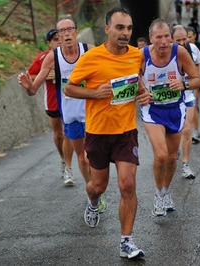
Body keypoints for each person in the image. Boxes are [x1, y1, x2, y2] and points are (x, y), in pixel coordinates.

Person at [64, 7, 151, 259]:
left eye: (129, 28)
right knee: (98, 186)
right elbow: (70, 89)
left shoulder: (136, 55)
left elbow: (137, 82)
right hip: (98, 132)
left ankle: (126, 242)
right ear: (107, 29)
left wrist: (144, 94)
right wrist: (94, 93)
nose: (125, 33)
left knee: (128, 185)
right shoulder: (91, 58)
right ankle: (92, 202)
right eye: (120, 28)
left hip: (125, 131)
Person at [18, 18, 108, 213]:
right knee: (82, 158)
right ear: (57, 36)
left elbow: (109, 70)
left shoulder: (90, 51)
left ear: (76, 32)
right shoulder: (52, 58)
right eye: (62, 31)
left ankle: (98, 186)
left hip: (93, 114)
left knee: (92, 155)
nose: (67, 34)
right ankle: (92, 189)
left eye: (70, 29)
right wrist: (28, 86)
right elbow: (33, 90)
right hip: (71, 116)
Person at [141, 19, 200, 216]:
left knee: (170, 157)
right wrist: (140, 94)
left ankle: (166, 191)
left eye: (167, 36)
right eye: (159, 37)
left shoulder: (180, 53)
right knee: (160, 155)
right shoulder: (141, 56)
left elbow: (197, 79)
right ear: (151, 39)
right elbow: (131, 81)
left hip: (175, 109)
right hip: (152, 111)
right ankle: (158, 195)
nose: (164, 41)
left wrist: (183, 85)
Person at [24, 29, 66, 178]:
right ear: (49, 43)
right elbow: (30, 75)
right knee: (59, 134)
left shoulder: (73, 54)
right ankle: (63, 160)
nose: (59, 41)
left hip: (73, 99)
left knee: (74, 133)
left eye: (60, 38)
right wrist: (46, 75)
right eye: (55, 39)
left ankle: (74, 164)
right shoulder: (43, 58)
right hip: (53, 101)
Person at [171, 25, 200, 179]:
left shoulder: (192, 49)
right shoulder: (163, 52)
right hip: (170, 98)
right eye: (178, 40)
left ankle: (186, 165)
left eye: (185, 39)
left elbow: (199, 64)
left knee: (186, 130)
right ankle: (174, 148)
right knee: (173, 132)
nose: (183, 42)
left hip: (187, 94)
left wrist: (196, 77)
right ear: (170, 39)